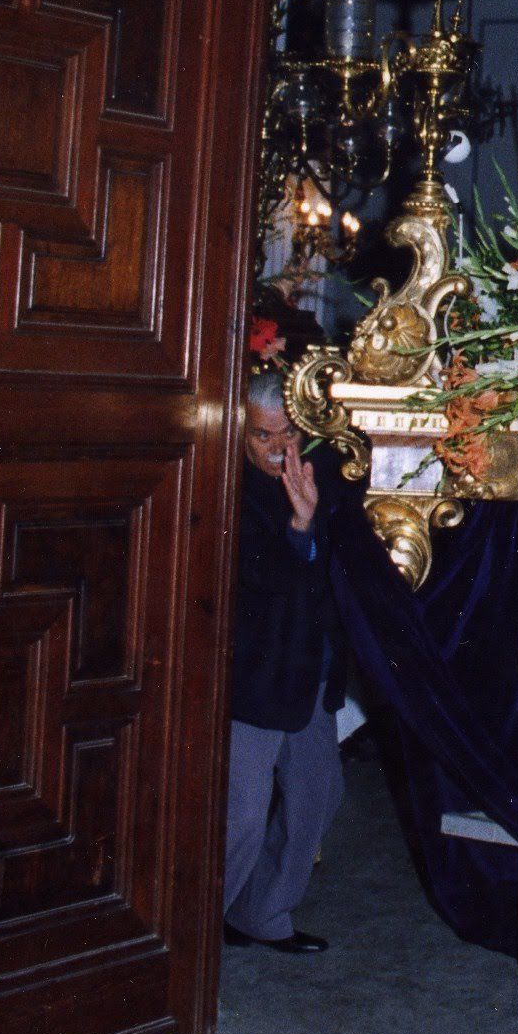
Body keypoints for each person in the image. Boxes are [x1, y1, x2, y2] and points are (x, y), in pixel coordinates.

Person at [224, 369, 347, 954]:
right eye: (263, 435)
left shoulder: (323, 474)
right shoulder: (228, 488)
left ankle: (263, 914)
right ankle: (191, 935)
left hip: (312, 676)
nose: (278, 448)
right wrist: (300, 527)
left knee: (317, 801)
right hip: (256, 682)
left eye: (288, 433)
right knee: (241, 819)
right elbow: (257, 581)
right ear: (240, 434)